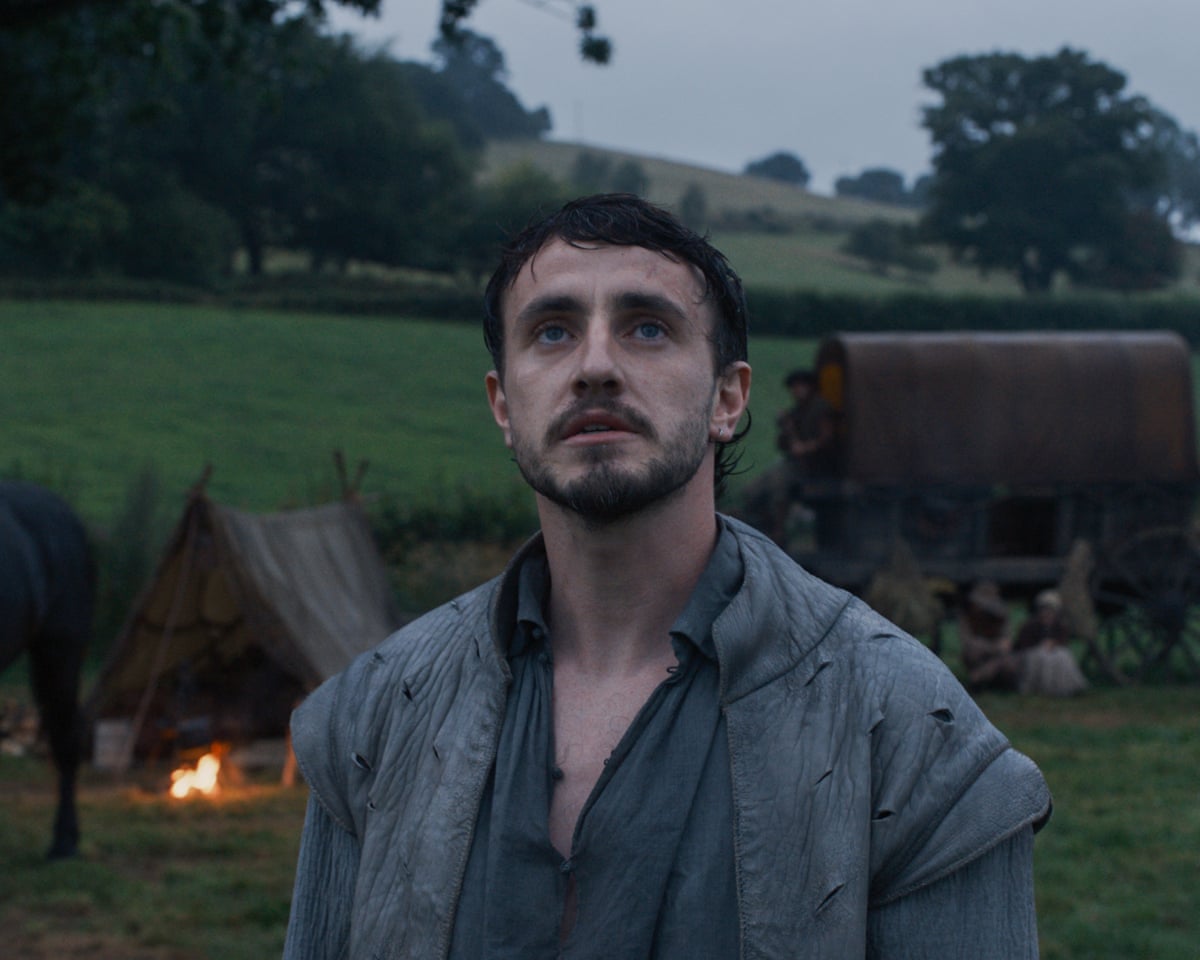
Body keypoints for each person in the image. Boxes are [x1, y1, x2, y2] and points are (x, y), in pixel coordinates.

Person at [283, 194, 1050, 959]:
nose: (594, 367)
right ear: (503, 406)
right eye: (552, 331)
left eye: (647, 328)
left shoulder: (907, 730)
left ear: (727, 397)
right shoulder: (375, 718)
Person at [1015, 589, 1089, 697]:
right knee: (1043, 657)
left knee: (1063, 656)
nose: (1046, 614)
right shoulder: (1030, 626)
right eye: (1044, 610)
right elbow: (1023, 644)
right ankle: (1043, 688)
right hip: (1032, 652)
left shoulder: (1059, 626)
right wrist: (1041, 644)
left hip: (1053, 651)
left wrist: (1053, 643)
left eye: (1050, 611)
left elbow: (1063, 641)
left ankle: (1068, 687)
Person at [958, 579, 1024, 692]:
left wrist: (992, 648)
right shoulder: (968, 616)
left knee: (1007, 661)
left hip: (998, 656)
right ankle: (981, 678)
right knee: (974, 651)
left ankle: (979, 677)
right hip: (982, 652)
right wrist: (989, 646)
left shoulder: (1001, 617)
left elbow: (1006, 644)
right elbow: (968, 641)